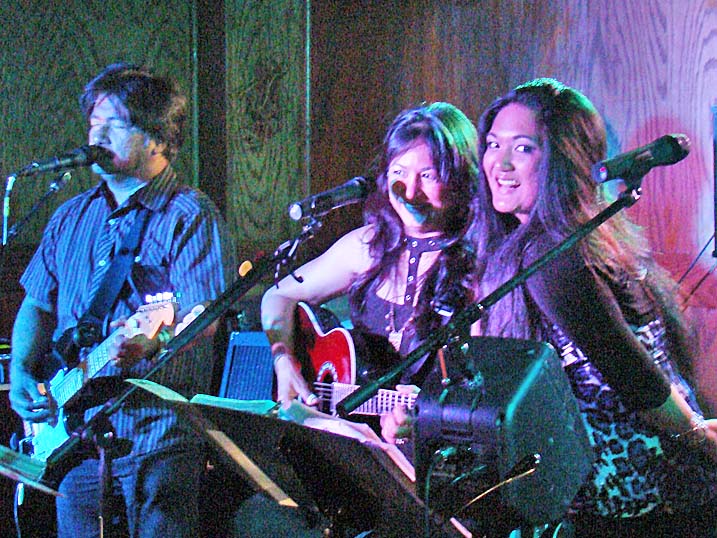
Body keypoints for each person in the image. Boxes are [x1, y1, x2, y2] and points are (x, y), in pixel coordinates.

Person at [469, 77, 717, 536]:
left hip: (641, 503)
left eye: (523, 148)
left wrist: (696, 433)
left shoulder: (555, 254)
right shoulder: (568, 242)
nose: (499, 163)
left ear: (563, 161)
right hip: (633, 497)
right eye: (493, 144)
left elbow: (633, 373)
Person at [9, 63, 235, 538]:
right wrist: (22, 372)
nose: (97, 135)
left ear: (157, 138)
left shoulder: (190, 214)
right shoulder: (71, 215)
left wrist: (157, 341)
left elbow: (203, 315)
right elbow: (37, 304)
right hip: (73, 436)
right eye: (94, 123)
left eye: (114, 124)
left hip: (157, 435)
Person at [261, 101, 479, 418]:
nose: (410, 191)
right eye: (398, 173)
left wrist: (422, 422)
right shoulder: (368, 244)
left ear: (460, 179)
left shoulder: (480, 264)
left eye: (428, 176)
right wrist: (284, 359)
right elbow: (277, 295)